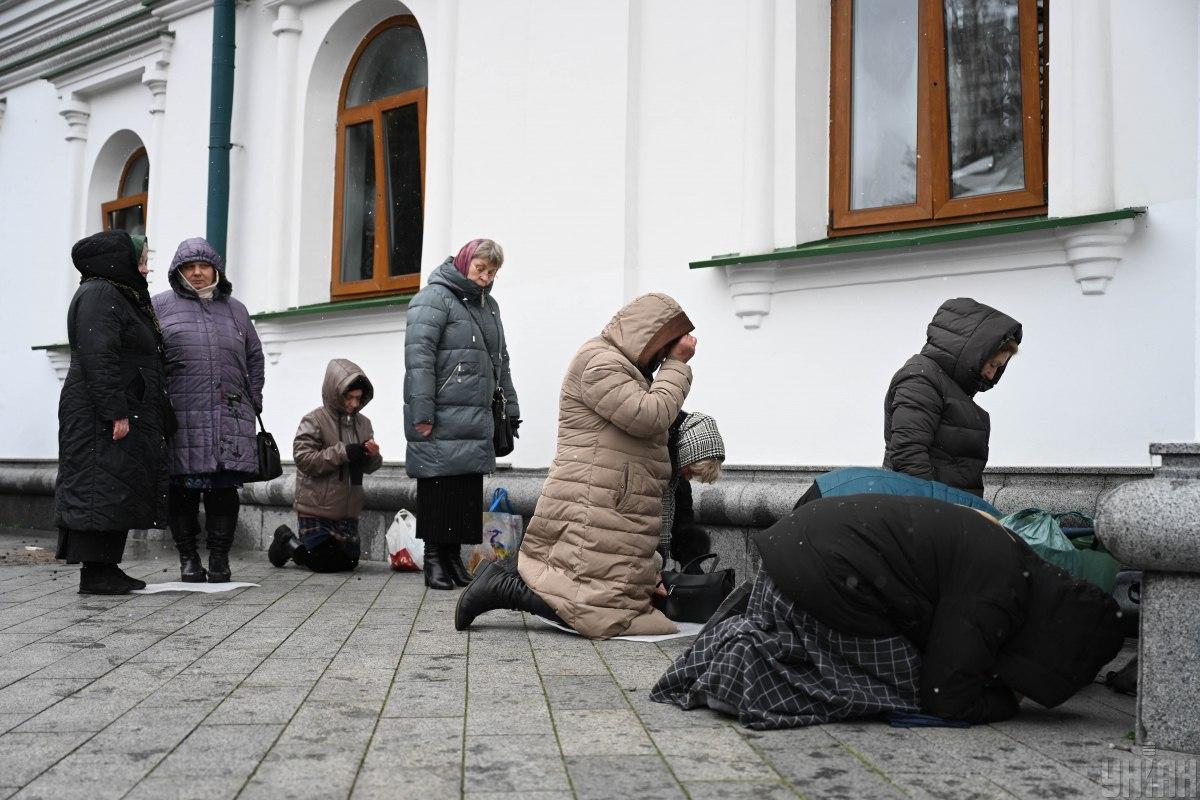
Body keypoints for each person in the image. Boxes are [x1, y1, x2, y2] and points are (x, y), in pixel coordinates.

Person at [652, 495, 1125, 729]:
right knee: (904, 682)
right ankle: (744, 670)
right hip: (824, 578)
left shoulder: (1013, 560)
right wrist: (1005, 702)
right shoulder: (1005, 585)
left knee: (843, 648)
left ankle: (744, 647)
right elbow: (946, 692)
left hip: (794, 562)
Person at [456, 293, 696, 638]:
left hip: (613, 497)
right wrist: (677, 366)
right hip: (594, 496)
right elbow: (650, 415)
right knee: (592, 609)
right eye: (663, 350)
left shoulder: (624, 367)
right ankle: (501, 585)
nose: (662, 360)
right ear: (650, 336)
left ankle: (505, 580)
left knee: (610, 602)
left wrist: (648, 572)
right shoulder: (599, 363)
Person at [55, 231, 169, 594]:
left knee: (113, 484)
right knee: (97, 484)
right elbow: (98, 355)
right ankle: (96, 572)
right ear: (119, 260)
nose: (147, 269)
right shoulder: (101, 293)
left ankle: (106, 567)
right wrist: (115, 411)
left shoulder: (115, 292)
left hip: (113, 403)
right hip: (98, 409)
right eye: (142, 260)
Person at [403, 239, 519, 590]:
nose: (485, 277)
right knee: (439, 485)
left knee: (465, 488)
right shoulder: (432, 299)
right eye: (480, 269)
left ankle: (452, 559)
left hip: (476, 413)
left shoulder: (489, 306)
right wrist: (422, 413)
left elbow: (501, 362)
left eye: (492, 272)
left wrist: (510, 408)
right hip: (441, 411)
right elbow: (418, 359)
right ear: (465, 262)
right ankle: (434, 560)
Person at [153, 237, 264, 583]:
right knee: (182, 491)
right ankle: (188, 558)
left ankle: (219, 559)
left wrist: (253, 400)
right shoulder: (160, 307)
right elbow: (150, 361)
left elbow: (255, 358)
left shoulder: (237, 309)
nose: (198, 273)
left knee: (223, 492)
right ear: (178, 271)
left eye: (204, 266)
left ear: (216, 269)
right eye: (190, 267)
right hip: (182, 419)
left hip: (229, 419)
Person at [883, 298, 1021, 497]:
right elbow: (908, 457)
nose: (991, 374)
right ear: (973, 353)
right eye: (992, 364)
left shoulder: (948, 384)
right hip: (932, 516)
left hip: (950, 512)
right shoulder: (921, 380)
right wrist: (938, 517)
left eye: (999, 368)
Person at [269, 359, 382, 573]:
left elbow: (370, 467)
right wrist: (343, 452)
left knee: (349, 564)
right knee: (324, 562)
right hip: (316, 508)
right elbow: (304, 459)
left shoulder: (364, 423)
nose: (354, 404)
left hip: (347, 511)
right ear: (335, 392)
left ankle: (292, 546)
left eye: (358, 398)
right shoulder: (314, 420)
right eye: (349, 397)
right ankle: (286, 542)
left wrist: (373, 456)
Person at [661, 411, 725, 569]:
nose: (687, 477)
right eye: (690, 472)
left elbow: (683, 520)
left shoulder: (678, 470)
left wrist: (690, 561)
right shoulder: (659, 435)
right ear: (689, 454)